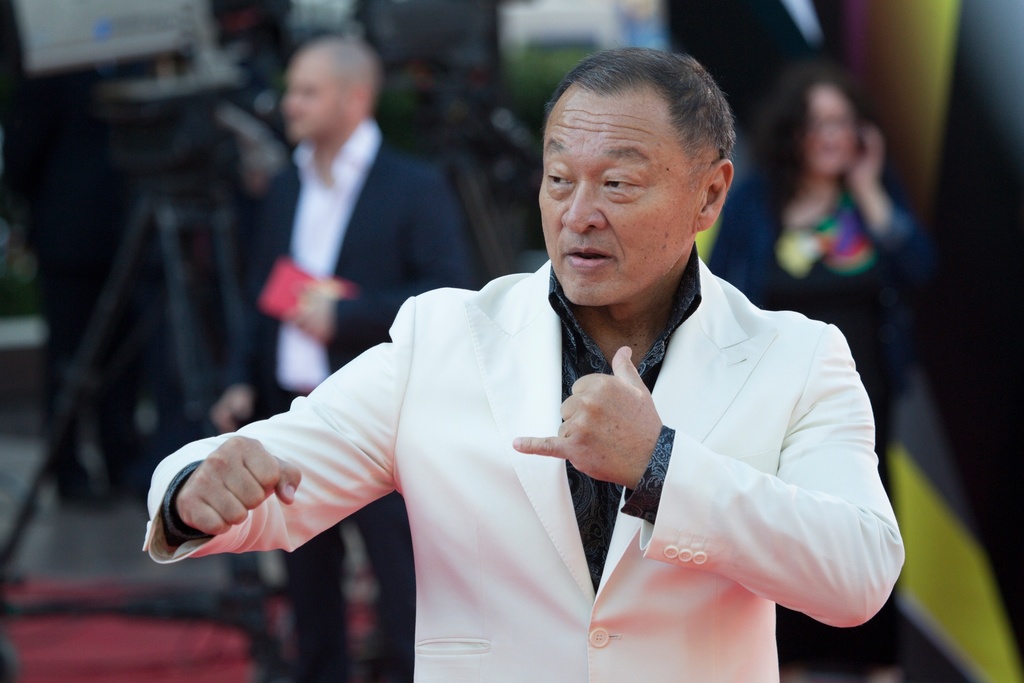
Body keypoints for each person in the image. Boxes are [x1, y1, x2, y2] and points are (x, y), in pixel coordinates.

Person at [144, 47, 904, 681]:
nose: (578, 215)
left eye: (618, 183)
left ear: (710, 194)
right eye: (559, 178)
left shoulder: (796, 356)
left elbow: (859, 573)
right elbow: (271, 475)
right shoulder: (441, 337)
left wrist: (662, 467)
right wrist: (193, 488)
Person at [206, 36, 476, 683]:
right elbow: (261, 290)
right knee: (308, 590)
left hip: (381, 427)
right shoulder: (285, 185)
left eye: (308, 91)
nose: (289, 104)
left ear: (355, 99)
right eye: (292, 90)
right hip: (292, 419)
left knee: (403, 587)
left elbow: (451, 296)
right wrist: (239, 378)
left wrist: (348, 312)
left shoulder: (414, 186)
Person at [709, 58, 934, 677]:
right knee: (783, 518)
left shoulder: (872, 195)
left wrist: (868, 187)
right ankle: (785, 662)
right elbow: (721, 288)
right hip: (778, 398)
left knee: (868, 520)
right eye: (816, 124)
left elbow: (919, 267)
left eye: (842, 122)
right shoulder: (758, 199)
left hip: (869, 397)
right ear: (793, 133)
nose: (831, 135)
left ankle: (876, 663)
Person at [2, 68, 142, 503]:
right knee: (68, 356)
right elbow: (23, 153)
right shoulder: (54, 69)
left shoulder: (136, 61)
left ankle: (122, 460)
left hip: (128, 234)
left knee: (123, 357)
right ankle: (68, 470)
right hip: (68, 238)